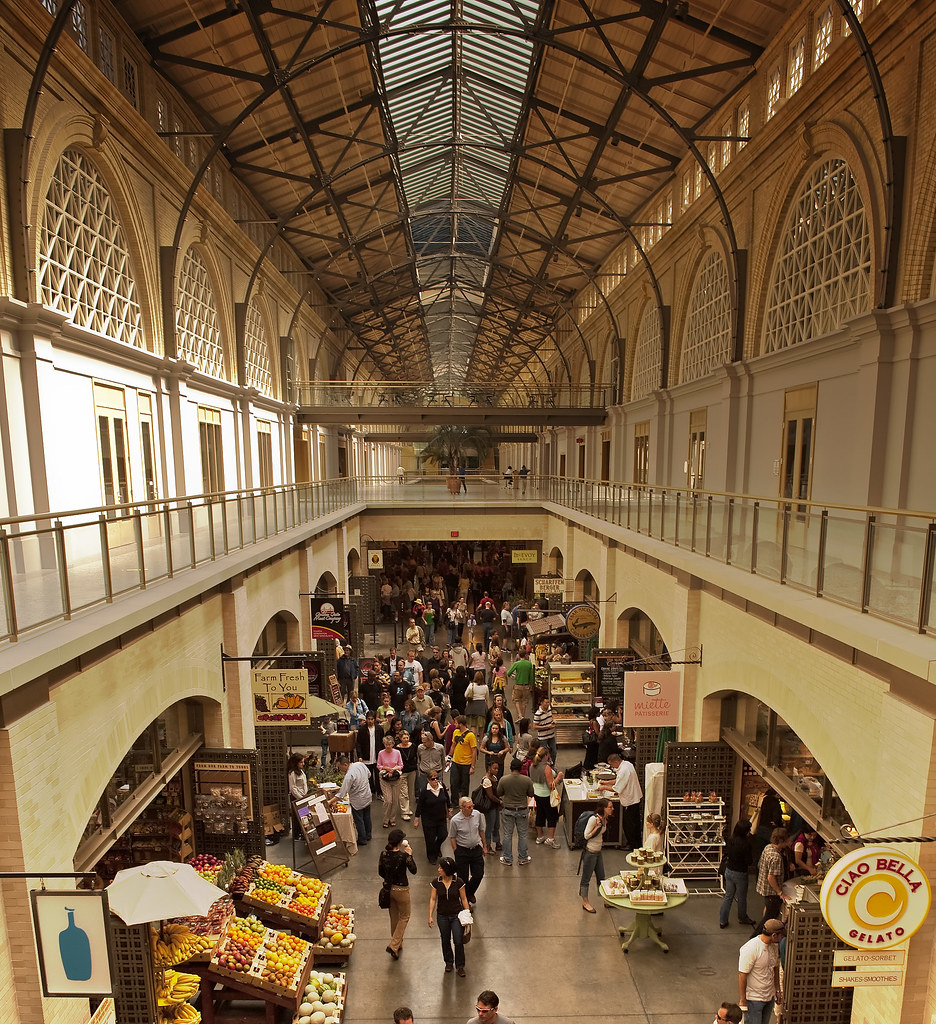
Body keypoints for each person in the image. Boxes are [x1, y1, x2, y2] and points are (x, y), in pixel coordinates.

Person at [428, 856, 471, 976]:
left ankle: (460, 965)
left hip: (456, 916)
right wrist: (430, 915)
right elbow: (432, 899)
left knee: (458, 940)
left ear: (447, 869)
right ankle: (448, 962)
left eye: (441, 867)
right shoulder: (436, 883)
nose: (438, 869)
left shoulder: (458, 882)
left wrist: (467, 914)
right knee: (445, 939)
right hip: (442, 916)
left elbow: (463, 899)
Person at [378, 827, 417, 960]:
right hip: (402, 890)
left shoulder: (383, 854)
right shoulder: (403, 856)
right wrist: (410, 855)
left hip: (389, 889)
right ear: (400, 842)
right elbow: (414, 870)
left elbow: (380, 872)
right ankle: (394, 945)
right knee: (405, 916)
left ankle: (398, 944)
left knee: (394, 916)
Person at [738, 919, 784, 1023]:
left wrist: (777, 990)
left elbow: (775, 968)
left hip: (769, 996)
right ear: (773, 935)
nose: (781, 938)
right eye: (780, 935)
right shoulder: (751, 948)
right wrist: (743, 999)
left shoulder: (774, 945)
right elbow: (742, 975)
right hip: (754, 999)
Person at [448, 795, 487, 904]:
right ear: (462, 808)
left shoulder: (477, 815)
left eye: (472, 806)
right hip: (462, 851)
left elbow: (481, 830)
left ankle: (469, 892)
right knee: (463, 878)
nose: (471, 809)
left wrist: (484, 846)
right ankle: (464, 902)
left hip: (475, 850)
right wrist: (456, 851)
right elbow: (452, 837)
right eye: (469, 807)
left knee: (478, 874)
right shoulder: (455, 820)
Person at [600, 750, 642, 849]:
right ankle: (637, 844)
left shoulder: (623, 770)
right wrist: (607, 782)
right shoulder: (627, 764)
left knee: (629, 825)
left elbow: (617, 789)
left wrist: (603, 787)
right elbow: (619, 780)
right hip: (635, 797)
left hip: (629, 800)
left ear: (615, 762)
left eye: (612, 765)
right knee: (635, 823)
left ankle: (632, 845)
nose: (612, 767)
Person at [496, 757, 534, 865]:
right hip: (522, 810)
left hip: (508, 810)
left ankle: (507, 858)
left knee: (507, 834)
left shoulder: (504, 779)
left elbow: (499, 793)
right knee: (523, 834)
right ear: (521, 768)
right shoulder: (527, 780)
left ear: (510, 767)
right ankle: (523, 858)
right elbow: (531, 794)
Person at [580, 797, 615, 912]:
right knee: (586, 878)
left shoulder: (605, 819)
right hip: (590, 852)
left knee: (602, 877)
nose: (612, 809)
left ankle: (605, 900)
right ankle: (585, 902)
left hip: (598, 851)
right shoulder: (594, 820)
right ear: (603, 808)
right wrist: (596, 828)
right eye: (610, 807)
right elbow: (586, 835)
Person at [753, 827, 790, 935]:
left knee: (767, 913)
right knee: (769, 918)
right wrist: (780, 893)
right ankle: (757, 937)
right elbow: (771, 877)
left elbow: (760, 865)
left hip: (764, 888)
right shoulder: (776, 857)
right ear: (782, 841)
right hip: (772, 892)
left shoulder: (768, 848)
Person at [720, 820, 757, 928]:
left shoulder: (731, 839)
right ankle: (742, 917)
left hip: (729, 870)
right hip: (740, 873)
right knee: (741, 897)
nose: (749, 831)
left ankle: (723, 920)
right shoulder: (746, 844)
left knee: (728, 896)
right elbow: (749, 861)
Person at [333, 755, 373, 845]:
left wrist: (330, 801)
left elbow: (341, 793)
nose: (340, 769)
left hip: (357, 800)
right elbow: (369, 774)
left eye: (340, 767)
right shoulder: (360, 764)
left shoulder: (349, 775)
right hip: (367, 795)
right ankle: (368, 835)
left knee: (359, 819)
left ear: (345, 764)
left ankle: (362, 839)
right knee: (367, 817)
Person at [413, 768, 451, 863]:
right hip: (428, 819)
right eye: (433, 779)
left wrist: (450, 809)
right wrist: (416, 818)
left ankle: (437, 847)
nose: (435, 781)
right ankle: (431, 856)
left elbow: (447, 798)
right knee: (430, 839)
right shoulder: (425, 791)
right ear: (428, 780)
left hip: (441, 817)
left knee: (443, 834)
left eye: (436, 778)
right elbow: (420, 805)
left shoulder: (442, 787)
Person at [530, 743, 563, 847]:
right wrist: (559, 777)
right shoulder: (546, 768)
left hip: (537, 794)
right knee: (552, 816)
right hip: (547, 795)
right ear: (545, 756)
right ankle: (550, 839)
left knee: (540, 814)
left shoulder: (532, 765)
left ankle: (540, 836)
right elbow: (551, 785)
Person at [449, 716, 477, 801]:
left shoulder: (470, 735)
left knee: (464, 785)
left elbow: (474, 751)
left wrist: (472, 766)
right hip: (455, 762)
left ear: (461, 724)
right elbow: (453, 745)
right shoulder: (456, 732)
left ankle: (464, 801)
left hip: (466, 763)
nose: (454, 724)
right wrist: (449, 757)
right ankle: (454, 801)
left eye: (456, 723)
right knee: (454, 783)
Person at [356, 711, 384, 795]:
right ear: (366, 719)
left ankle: (379, 793)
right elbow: (358, 743)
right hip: (366, 756)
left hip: (377, 756)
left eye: (372, 719)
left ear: (374, 719)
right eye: (368, 719)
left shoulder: (379, 729)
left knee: (378, 775)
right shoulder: (362, 729)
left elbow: (382, 742)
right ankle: (371, 791)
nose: (370, 721)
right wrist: (360, 755)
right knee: (368, 776)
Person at [479, 761, 502, 852]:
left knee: (497, 825)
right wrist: (500, 802)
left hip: (495, 806)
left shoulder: (494, 778)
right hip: (489, 807)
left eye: (497, 769)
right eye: (494, 768)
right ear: (489, 768)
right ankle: (487, 845)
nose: (496, 770)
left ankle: (497, 842)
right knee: (490, 826)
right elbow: (490, 795)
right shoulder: (486, 780)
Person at [397, 729, 418, 821]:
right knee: (403, 792)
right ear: (400, 738)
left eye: (407, 737)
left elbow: (416, 757)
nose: (406, 739)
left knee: (410, 791)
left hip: (412, 771)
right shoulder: (397, 748)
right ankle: (404, 812)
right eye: (404, 738)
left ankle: (408, 808)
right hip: (402, 772)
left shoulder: (413, 746)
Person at [507, 650, 534, 718]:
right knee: (524, 702)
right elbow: (531, 676)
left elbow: (508, 673)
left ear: (519, 655)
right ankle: (523, 716)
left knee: (516, 700)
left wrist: (514, 677)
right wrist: (531, 684)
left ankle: (519, 714)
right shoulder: (529, 664)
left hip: (518, 685)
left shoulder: (517, 664)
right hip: (526, 686)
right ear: (525, 655)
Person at [287, 752, 308, 838]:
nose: (303, 764)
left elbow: (304, 783)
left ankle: (303, 832)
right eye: (301, 762)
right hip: (297, 798)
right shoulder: (292, 773)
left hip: (303, 796)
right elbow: (293, 788)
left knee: (304, 815)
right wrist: (300, 797)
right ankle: (296, 834)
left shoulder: (301, 771)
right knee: (297, 817)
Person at [532, 695, 557, 763]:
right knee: (543, 754)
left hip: (551, 735)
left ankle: (552, 765)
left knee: (554, 752)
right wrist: (546, 727)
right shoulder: (538, 714)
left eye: (548, 702)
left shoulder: (549, 709)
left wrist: (553, 721)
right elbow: (534, 726)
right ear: (541, 703)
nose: (547, 704)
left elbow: (551, 718)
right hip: (543, 738)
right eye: (546, 702)